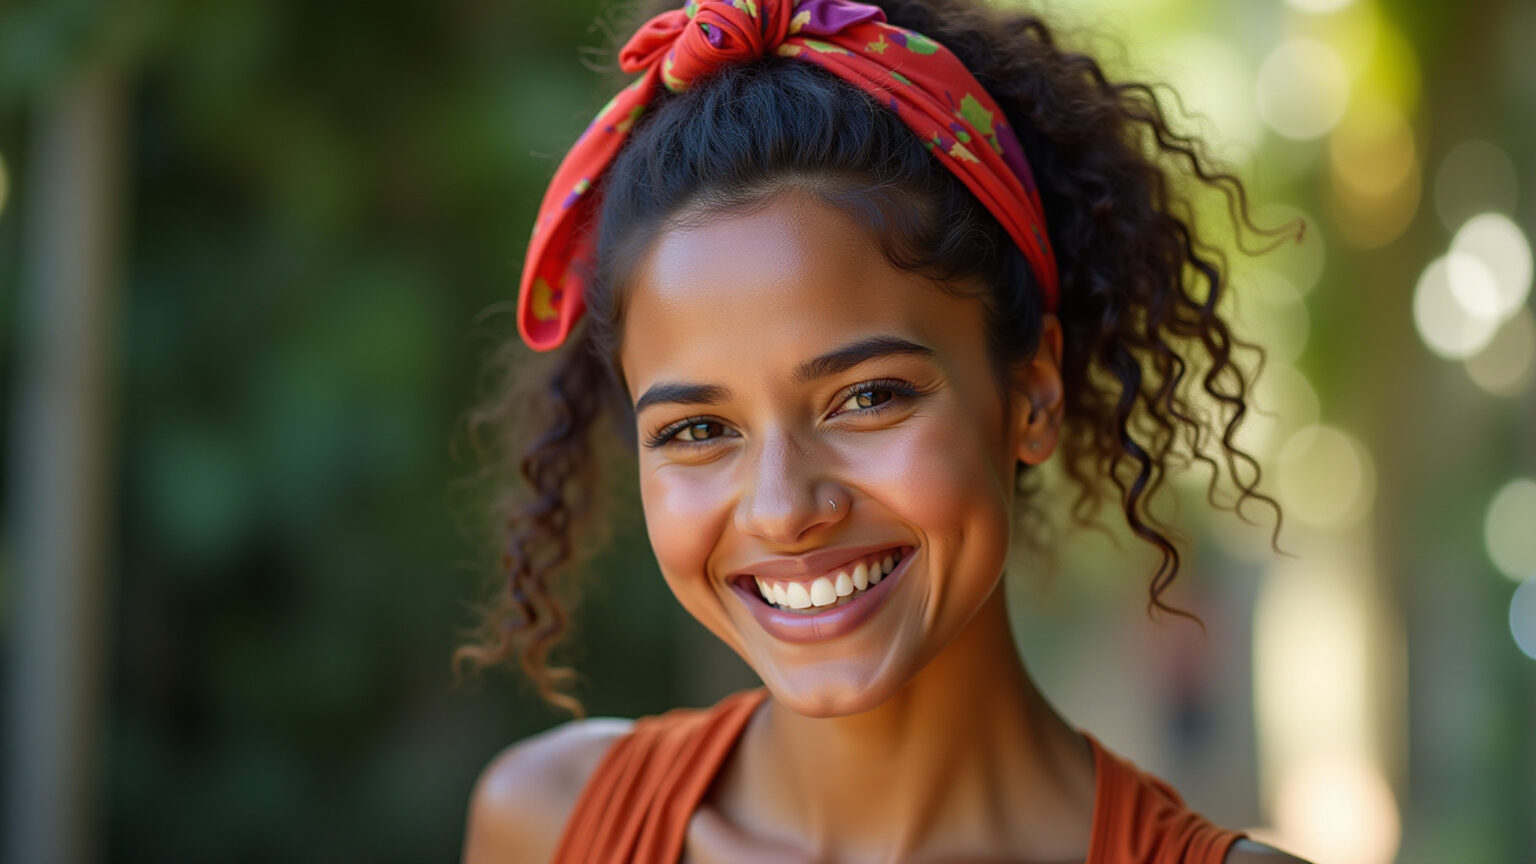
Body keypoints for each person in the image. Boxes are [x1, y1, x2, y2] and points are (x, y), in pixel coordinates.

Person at [456, 0, 1312, 860]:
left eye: (867, 398)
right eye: (699, 429)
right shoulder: (545, 825)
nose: (783, 510)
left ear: (1034, 395)